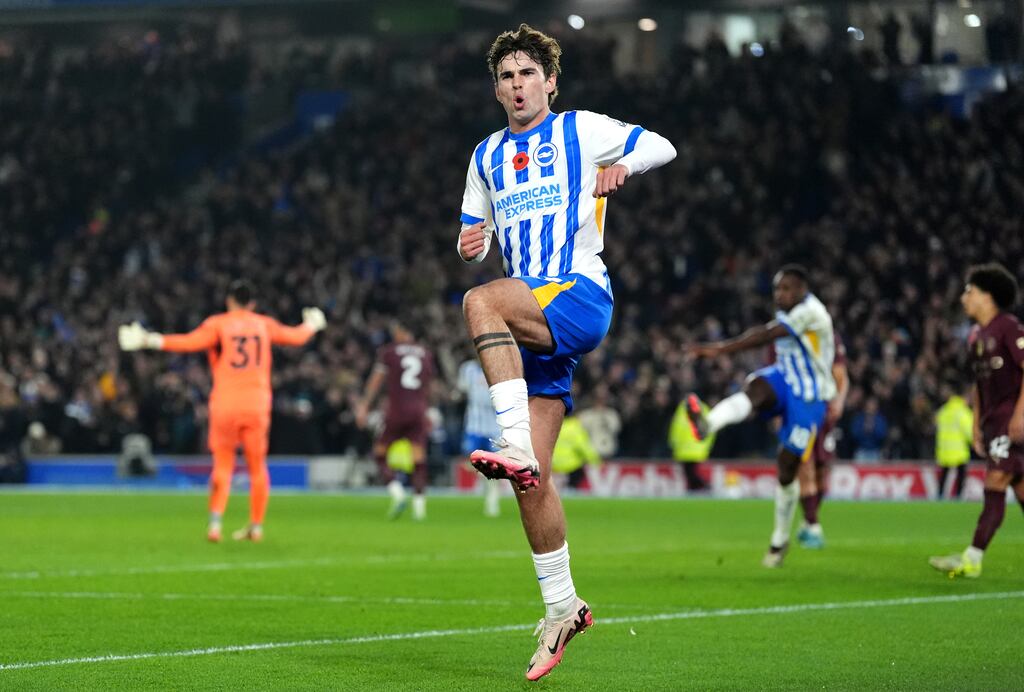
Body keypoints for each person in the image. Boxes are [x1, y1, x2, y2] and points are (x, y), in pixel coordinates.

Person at [456, 23, 676, 680]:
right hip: (535, 317)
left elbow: (662, 146)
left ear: (550, 82)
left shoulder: (579, 130)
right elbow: (474, 226)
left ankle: (511, 440)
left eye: (528, 73)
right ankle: (563, 606)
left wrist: (621, 166)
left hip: (578, 291)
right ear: (496, 89)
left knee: (478, 303)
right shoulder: (486, 156)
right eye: (506, 76)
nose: (517, 84)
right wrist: (470, 240)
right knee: (534, 484)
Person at [118, 280, 326, 542]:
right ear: (252, 304)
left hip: (226, 402)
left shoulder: (219, 324)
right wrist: (312, 324)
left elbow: (190, 342)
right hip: (257, 402)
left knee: (223, 464)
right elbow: (296, 337)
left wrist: (150, 339)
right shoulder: (263, 324)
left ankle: (215, 524)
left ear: (229, 301)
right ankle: (256, 526)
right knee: (257, 467)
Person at [685, 265, 836, 568]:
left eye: (786, 289)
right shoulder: (791, 312)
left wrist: (720, 349)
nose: (779, 295)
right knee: (756, 387)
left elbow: (768, 335)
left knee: (786, 467)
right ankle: (709, 423)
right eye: (777, 289)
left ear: (802, 290)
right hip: (784, 379)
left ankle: (780, 539)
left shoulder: (812, 312)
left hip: (810, 397)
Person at [930, 264, 1024, 578]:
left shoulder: (1008, 327)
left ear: (987, 296)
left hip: (1013, 421)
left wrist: (1021, 413)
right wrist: (974, 424)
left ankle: (972, 558)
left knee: (994, 483)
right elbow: (978, 384)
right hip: (994, 422)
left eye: (969, 291)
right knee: (1021, 490)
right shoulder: (975, 336)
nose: (962, 298)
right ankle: (972, 557)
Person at [356, 321, 435, 521]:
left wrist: (364, 404)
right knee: (419, 460)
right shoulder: (425, 353)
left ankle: (397, 494)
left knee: (379, 454)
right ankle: (420, 511)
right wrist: (428, 411)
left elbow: (376, 380)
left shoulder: (389, 352)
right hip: (418, 410)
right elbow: (428, 386)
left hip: (396, 410)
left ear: (401, 331)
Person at [796, 329, 849, 549]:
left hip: (826, 413)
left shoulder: (829, 336)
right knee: (804, 466)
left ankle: (809, 521)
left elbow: (841, 376)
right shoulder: (788, 336)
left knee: (822, 470)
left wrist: (839, 402)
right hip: (800, 410)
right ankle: (813, 524)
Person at [456, 357, 503, 517]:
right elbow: (462, 390)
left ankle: (492, 500)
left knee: (495, 465)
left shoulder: (499, 366)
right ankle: (485, 483)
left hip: (494, 427)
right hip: (474, 425)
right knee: (470, 460)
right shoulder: (467, 368)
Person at [934, 382, 974, 499]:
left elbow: (937, 427)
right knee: (960, 475)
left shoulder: (943, 410)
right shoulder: (963, 412)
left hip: (944, 450)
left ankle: (940, 496)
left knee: (944, 476)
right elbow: (969, 431)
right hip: (959, 450)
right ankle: (959, 497)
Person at [669, 395, 714, 491]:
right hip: (691, 450)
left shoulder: (682, 410)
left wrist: (673, 443)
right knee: (690, 474)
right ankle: (699, 489)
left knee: (690, 473)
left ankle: (704, 486)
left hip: (692, 450)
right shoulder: (703, 409)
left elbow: (675, 428)